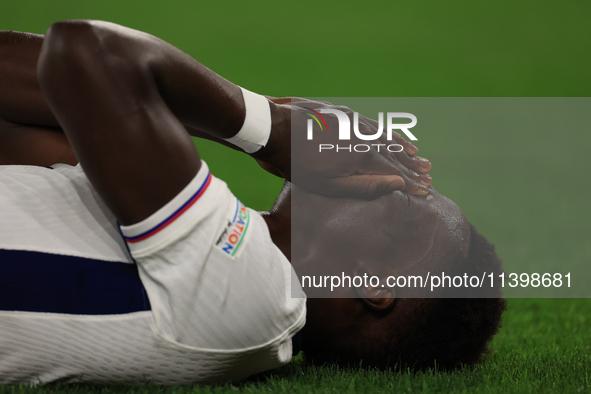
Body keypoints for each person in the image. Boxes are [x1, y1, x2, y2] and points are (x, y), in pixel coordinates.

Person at [0, 21, 505, 385]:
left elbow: (85, 52)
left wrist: (268, 128)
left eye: (409, 196)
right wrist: (251, 126)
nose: (387, 176)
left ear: (374, 284)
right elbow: (46, 83)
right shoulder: (168, 230)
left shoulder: (254, 292)